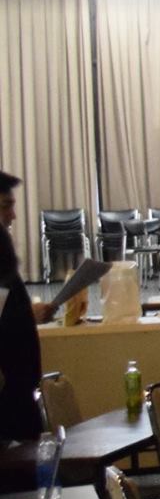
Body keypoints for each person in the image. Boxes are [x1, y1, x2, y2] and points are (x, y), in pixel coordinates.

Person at [0, 171, 57, 443]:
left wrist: (26, 316)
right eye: (5, 206)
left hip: (20, 390)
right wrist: (24, 315)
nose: (13, 215)